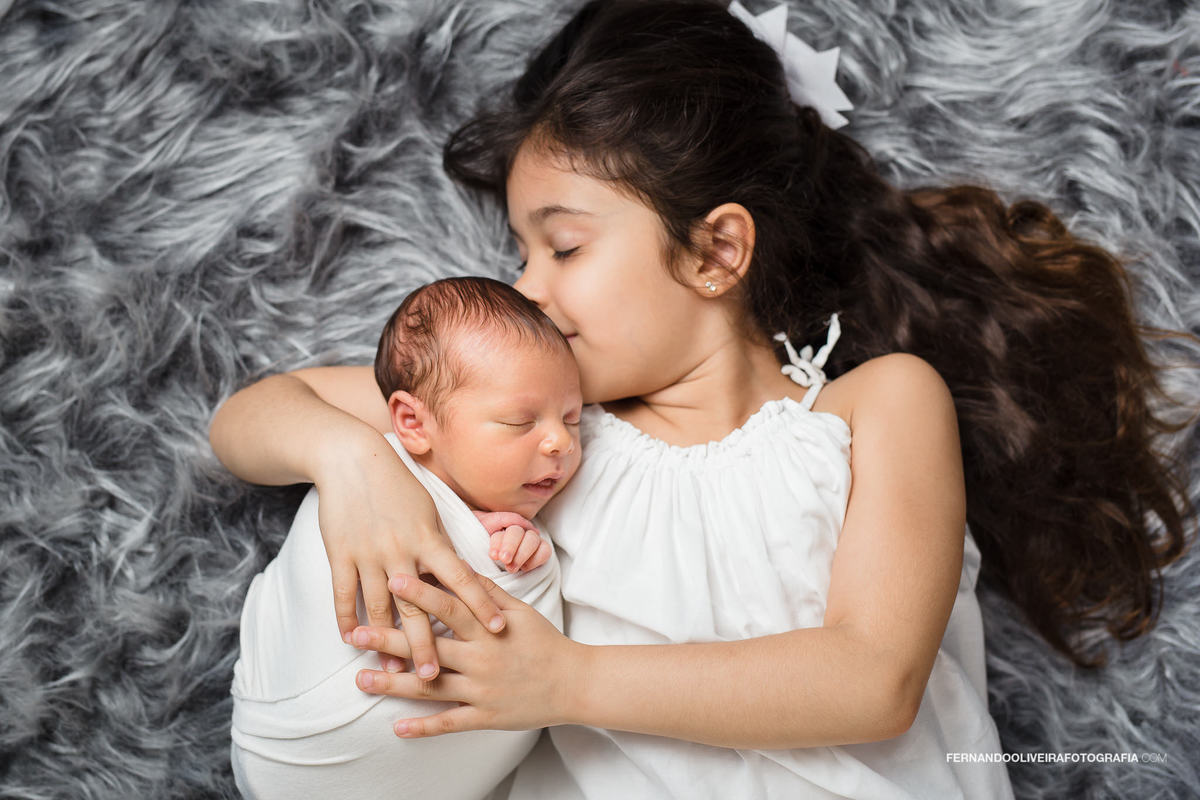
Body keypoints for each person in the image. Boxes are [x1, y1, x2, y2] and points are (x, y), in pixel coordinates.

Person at [208, 1, 1196, 797]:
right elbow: (253, 413)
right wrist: (353, 461)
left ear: (716, 249)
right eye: (518, 252)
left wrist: (565, 682)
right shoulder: (543, 435)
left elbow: (872, 677)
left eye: (563, 246)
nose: (526, 287)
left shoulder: (877, 409)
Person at [228, 277, 582, 799]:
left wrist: (508, 545)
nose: (560, 441)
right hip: (296, 742)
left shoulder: (499, 503)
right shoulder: (384, 460)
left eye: (572, 419)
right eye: (519, 421)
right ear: (414, 424)